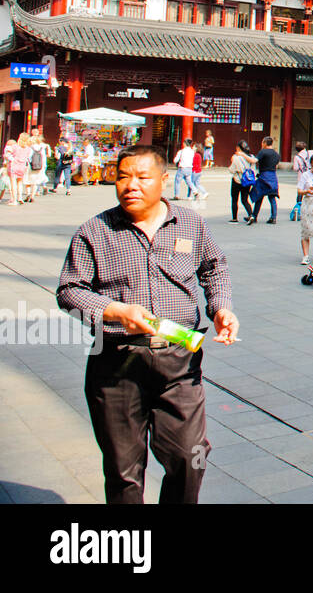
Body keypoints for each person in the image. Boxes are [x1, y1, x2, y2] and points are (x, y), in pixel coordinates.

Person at [56, 145, 238, 503]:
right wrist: (115, 311)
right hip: (117, 362)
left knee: (190, 457)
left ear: (164, 180)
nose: (130, 186)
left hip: (179, 361)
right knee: (124, 471)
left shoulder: (190, 223)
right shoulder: (95, 231)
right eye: (123, 177)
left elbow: (214, 268)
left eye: (142, 177)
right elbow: (69, 291)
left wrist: (221, 307)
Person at [248, 136, 280, 225]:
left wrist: (242, 155)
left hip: (264, 176)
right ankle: (273, 217)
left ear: (265, 143)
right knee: (272, 197)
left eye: (262, 142)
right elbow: (276, 165)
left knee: (259, 195)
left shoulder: (263, 152)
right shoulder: (276, 154)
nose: (261, 144)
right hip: (273, 176)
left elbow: (254, 160)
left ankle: (254, 216)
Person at [228, 140, 255, 224]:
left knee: (234, 199)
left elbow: (231, 170)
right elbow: (253, 169)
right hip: (247, 181)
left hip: (237, 180)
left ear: (239, 148)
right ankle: (251, 215)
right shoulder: (251, 157)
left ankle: (234, 218)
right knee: (245, 200)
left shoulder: (236, 157)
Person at [6, 132, 30, 206]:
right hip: (22, 167)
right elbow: (28, 158)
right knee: (20, 183)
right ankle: (20, 198)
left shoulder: (15, 146)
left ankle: (14, 200)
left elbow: (7, 155)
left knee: (13, 183)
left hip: (14, 166)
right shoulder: (28, 148)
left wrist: (12, 159)